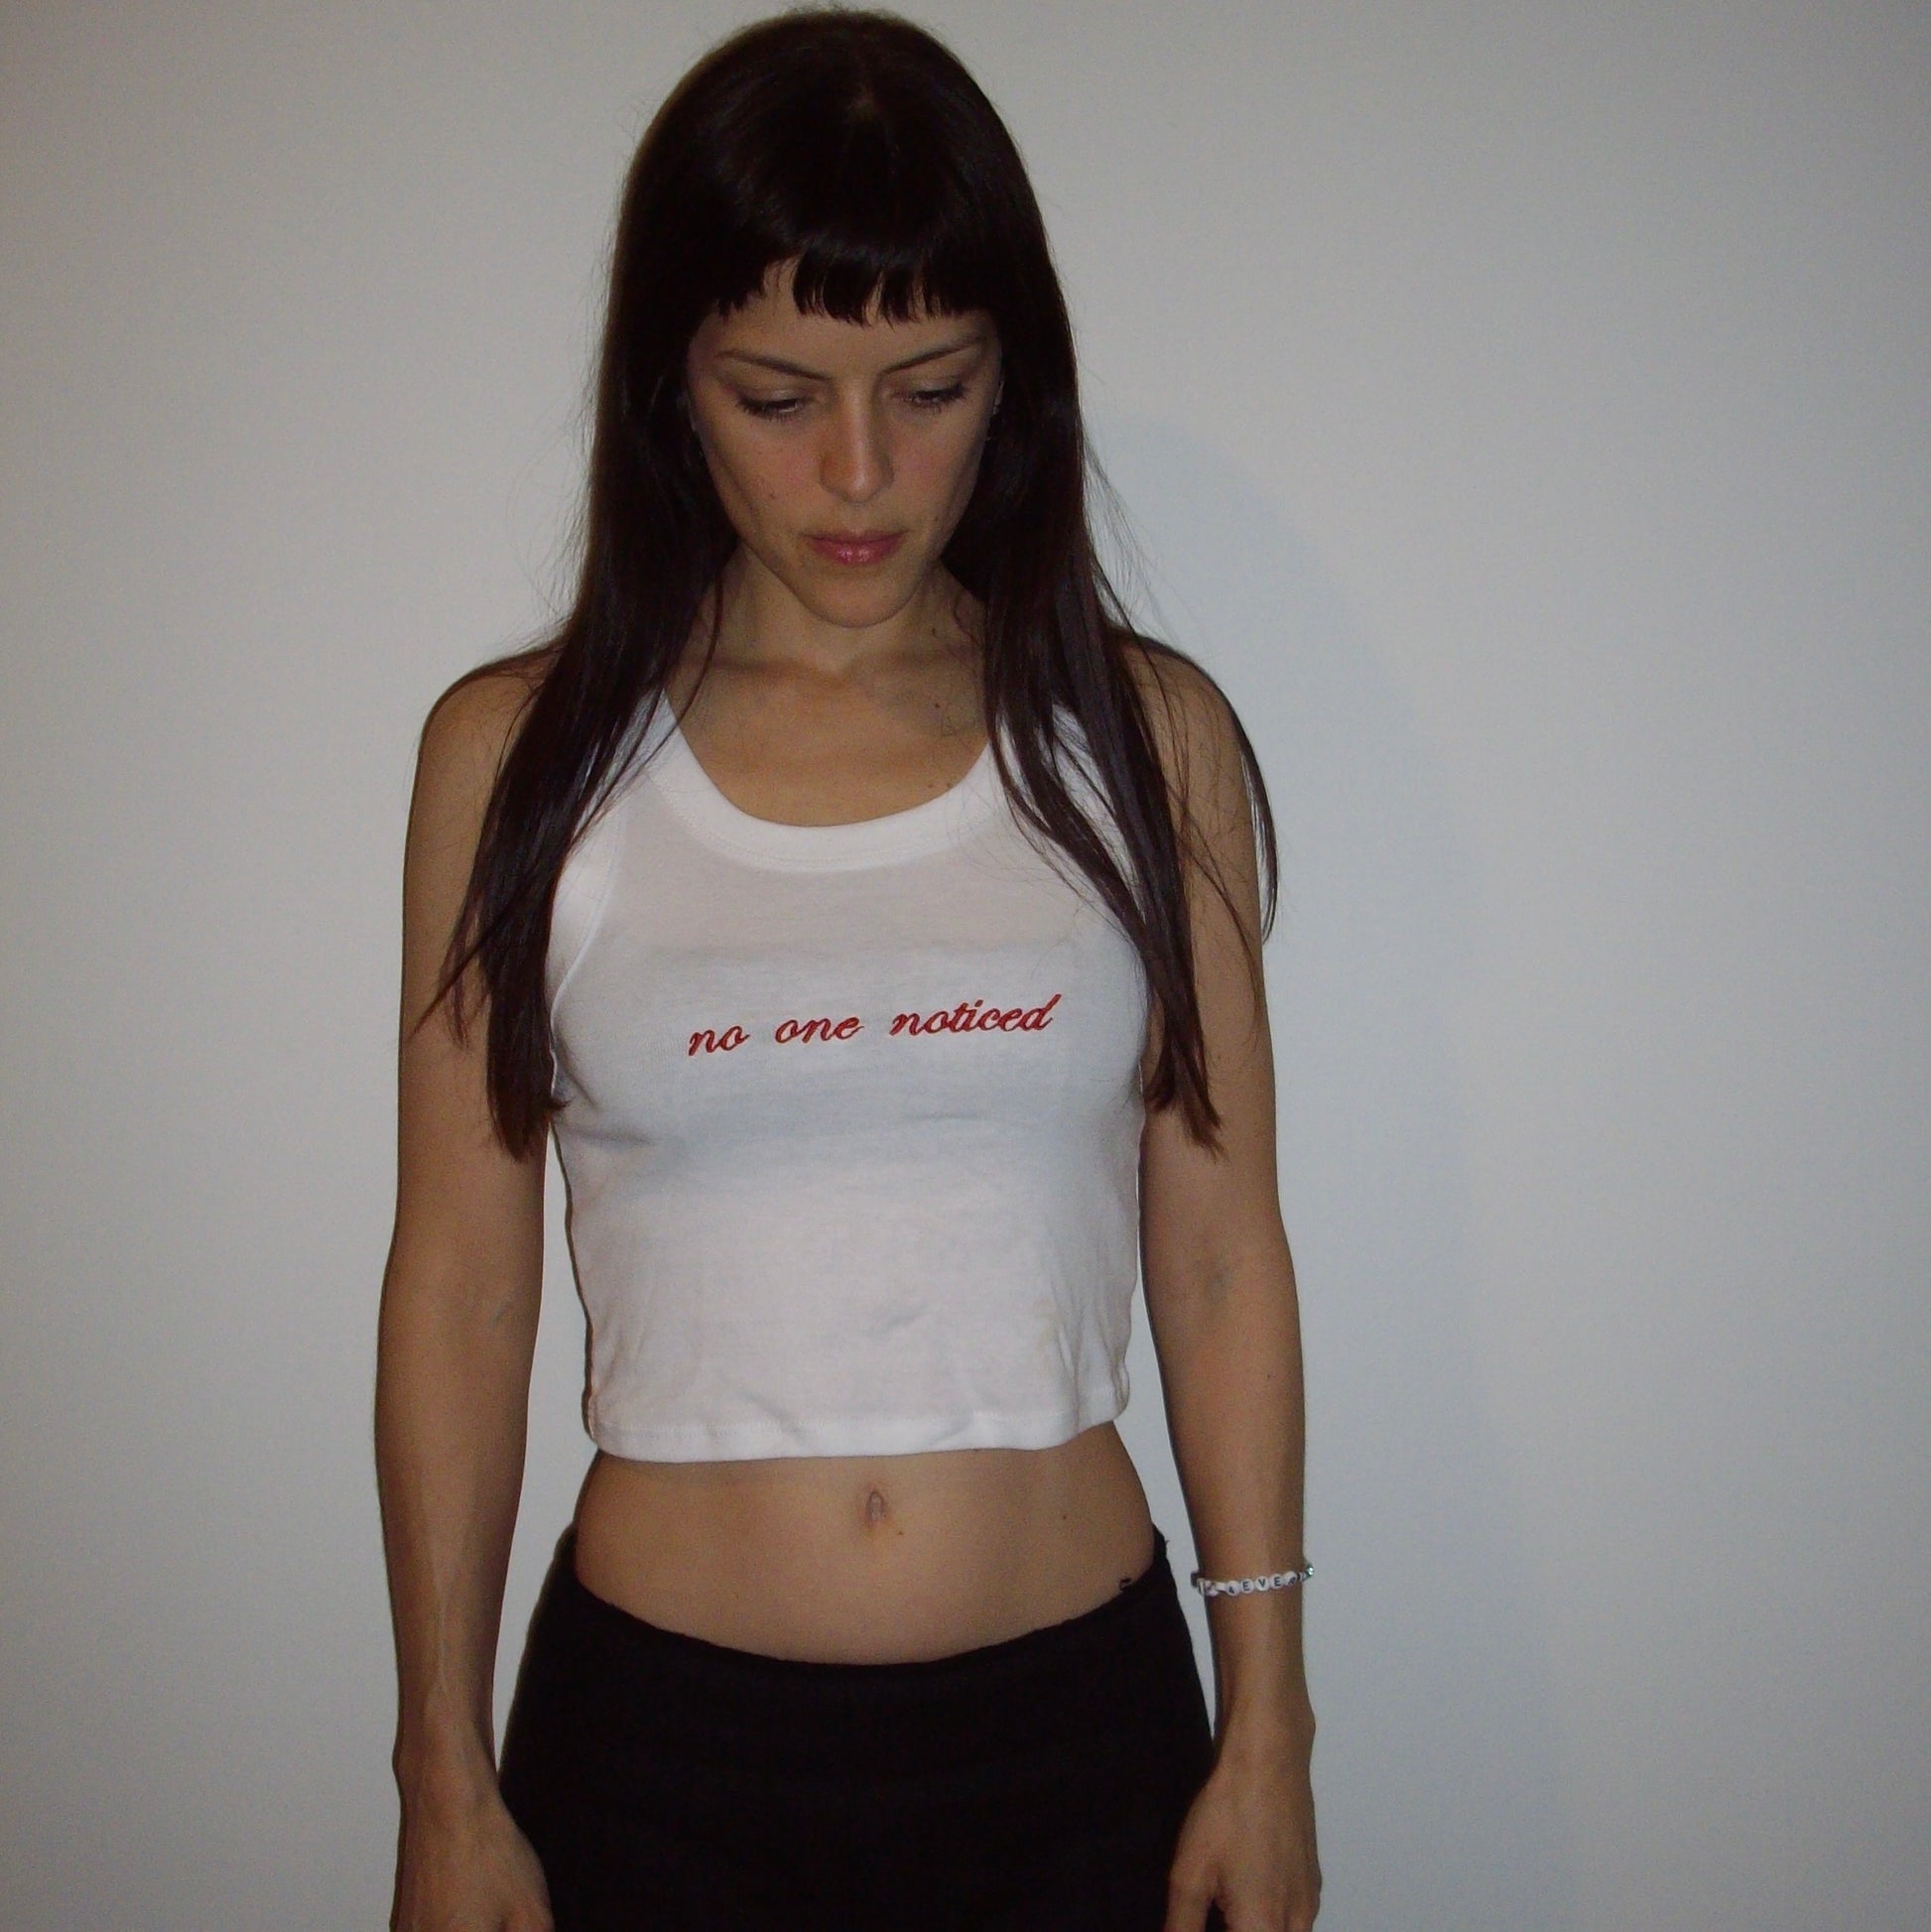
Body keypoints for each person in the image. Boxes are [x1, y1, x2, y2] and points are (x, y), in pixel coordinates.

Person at [374, 10, 1318, 1930]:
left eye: (930, 386)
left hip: (1080, 1749)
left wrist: (1271, 1729)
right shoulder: (522, 757)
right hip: (658, 1760)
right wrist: (442, 1779)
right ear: (672, 389)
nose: (861, 471)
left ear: (1013, 381)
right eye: (777, 395)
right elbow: (462, 1292)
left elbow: (1222, 1255)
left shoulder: (1144, 744)